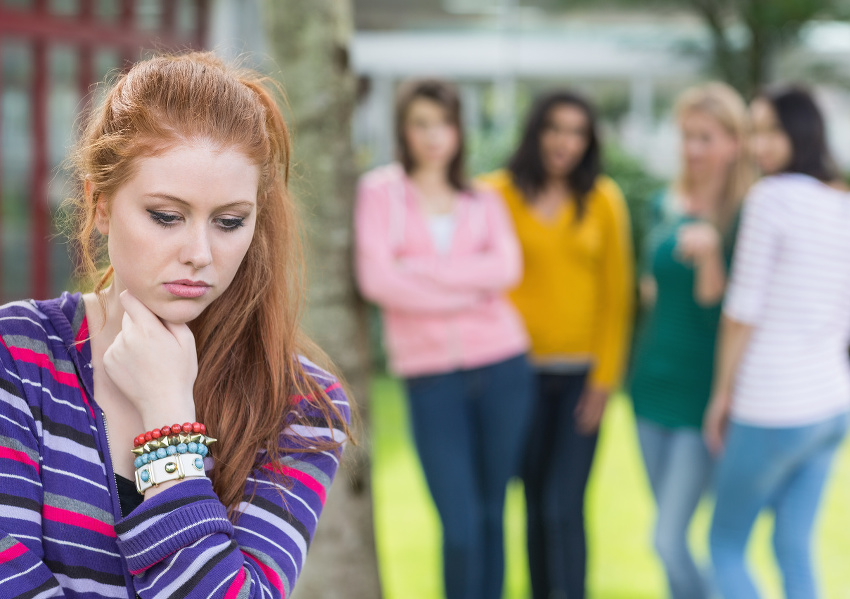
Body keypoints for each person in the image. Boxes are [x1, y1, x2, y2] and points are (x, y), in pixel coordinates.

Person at [0, 52, 350, 597]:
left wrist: (165, 418)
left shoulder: (300, 404)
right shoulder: (17, 356)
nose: (200, 253)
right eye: (166, 216)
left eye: (230, 221)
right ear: (99, 204)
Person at [354, 79, 533, 599]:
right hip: (430, 376)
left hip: (503, 364)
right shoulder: (380, 192)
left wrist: (420, 273)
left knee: (493, 515)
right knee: (459, 525)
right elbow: (378, 281)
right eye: (422, 124)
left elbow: (507, 268)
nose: (435, 136)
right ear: (403, 130)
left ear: (459, 130)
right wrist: (467, 286)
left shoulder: (484, 198)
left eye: (445, 123)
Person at [704, 86, 850, 599]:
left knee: (725, 544)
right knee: (793, 544)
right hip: (834, 402)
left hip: (775, 405)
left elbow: (741, 312)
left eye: (770, 131)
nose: (760, 144)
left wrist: (720, 395)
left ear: (801, 132)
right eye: (754, 131)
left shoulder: (770, 197)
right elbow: (847, 316)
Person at [479, 91, 634, 599]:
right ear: (535, 132)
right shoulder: (495, 193)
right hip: (512, 375)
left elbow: (618, 298)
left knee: (561, 506)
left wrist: (604, 381)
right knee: (530, 503)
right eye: (554, 128)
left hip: (579, 379)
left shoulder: (605, 200)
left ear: (588, 142)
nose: (564, 142)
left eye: (577, 132)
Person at [628, 82, 755, 599]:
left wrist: (710, 258)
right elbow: (651, 286)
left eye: (706, 137)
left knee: (667, 540)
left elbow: (729, 316)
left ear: (735, 142)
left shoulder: (748, 212)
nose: (693, 149)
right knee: (668, 531)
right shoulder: (666, 201)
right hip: (649, 386)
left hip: (702, 394)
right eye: (686, 136)